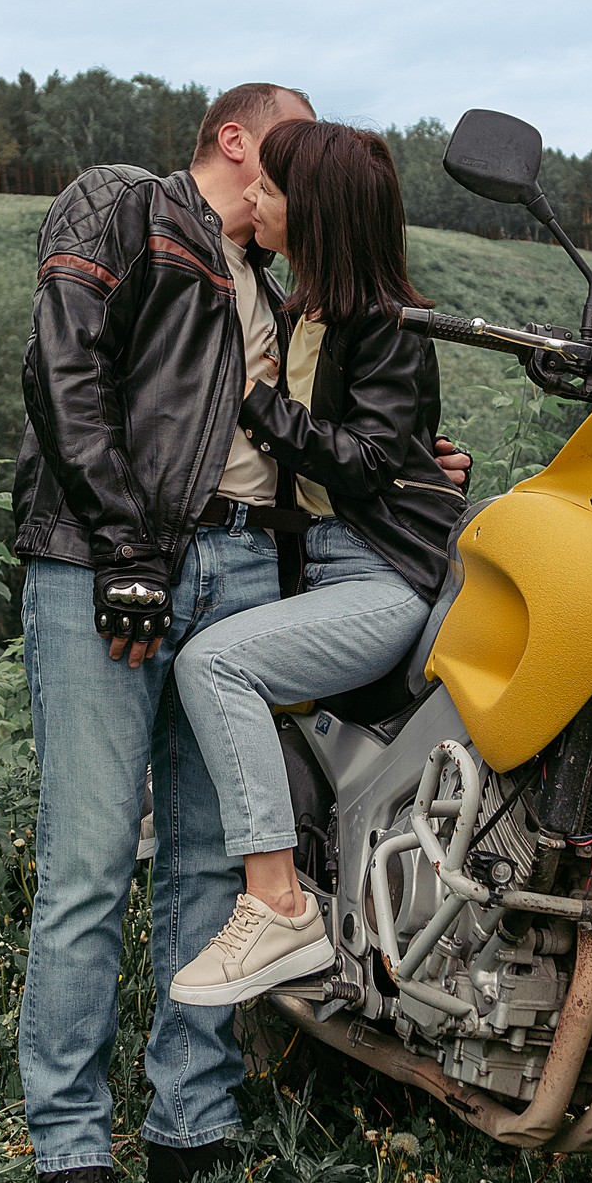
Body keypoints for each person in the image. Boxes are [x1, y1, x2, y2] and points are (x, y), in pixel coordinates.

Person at [12, 84, 470, 1183]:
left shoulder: (281, 281)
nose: (297, 164)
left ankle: (190, 1119)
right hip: (112, 561)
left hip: (245, 563)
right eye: (285, 141)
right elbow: (63, 375)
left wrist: (413, 467)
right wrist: (123, 550)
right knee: (88, 865)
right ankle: (71, 1148)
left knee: (208, 863)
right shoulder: (125, 208)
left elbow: (345, 428)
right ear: (236, 138)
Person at [170, 119, 467, 1006]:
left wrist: (250, 399)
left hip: (380, 578)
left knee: (214, 663)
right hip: (324, 564)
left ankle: (279, 906)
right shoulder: (302, 313)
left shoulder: (389, 326)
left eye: (270, 188)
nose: (253, 196)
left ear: (316, 211)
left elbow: (367, 460)